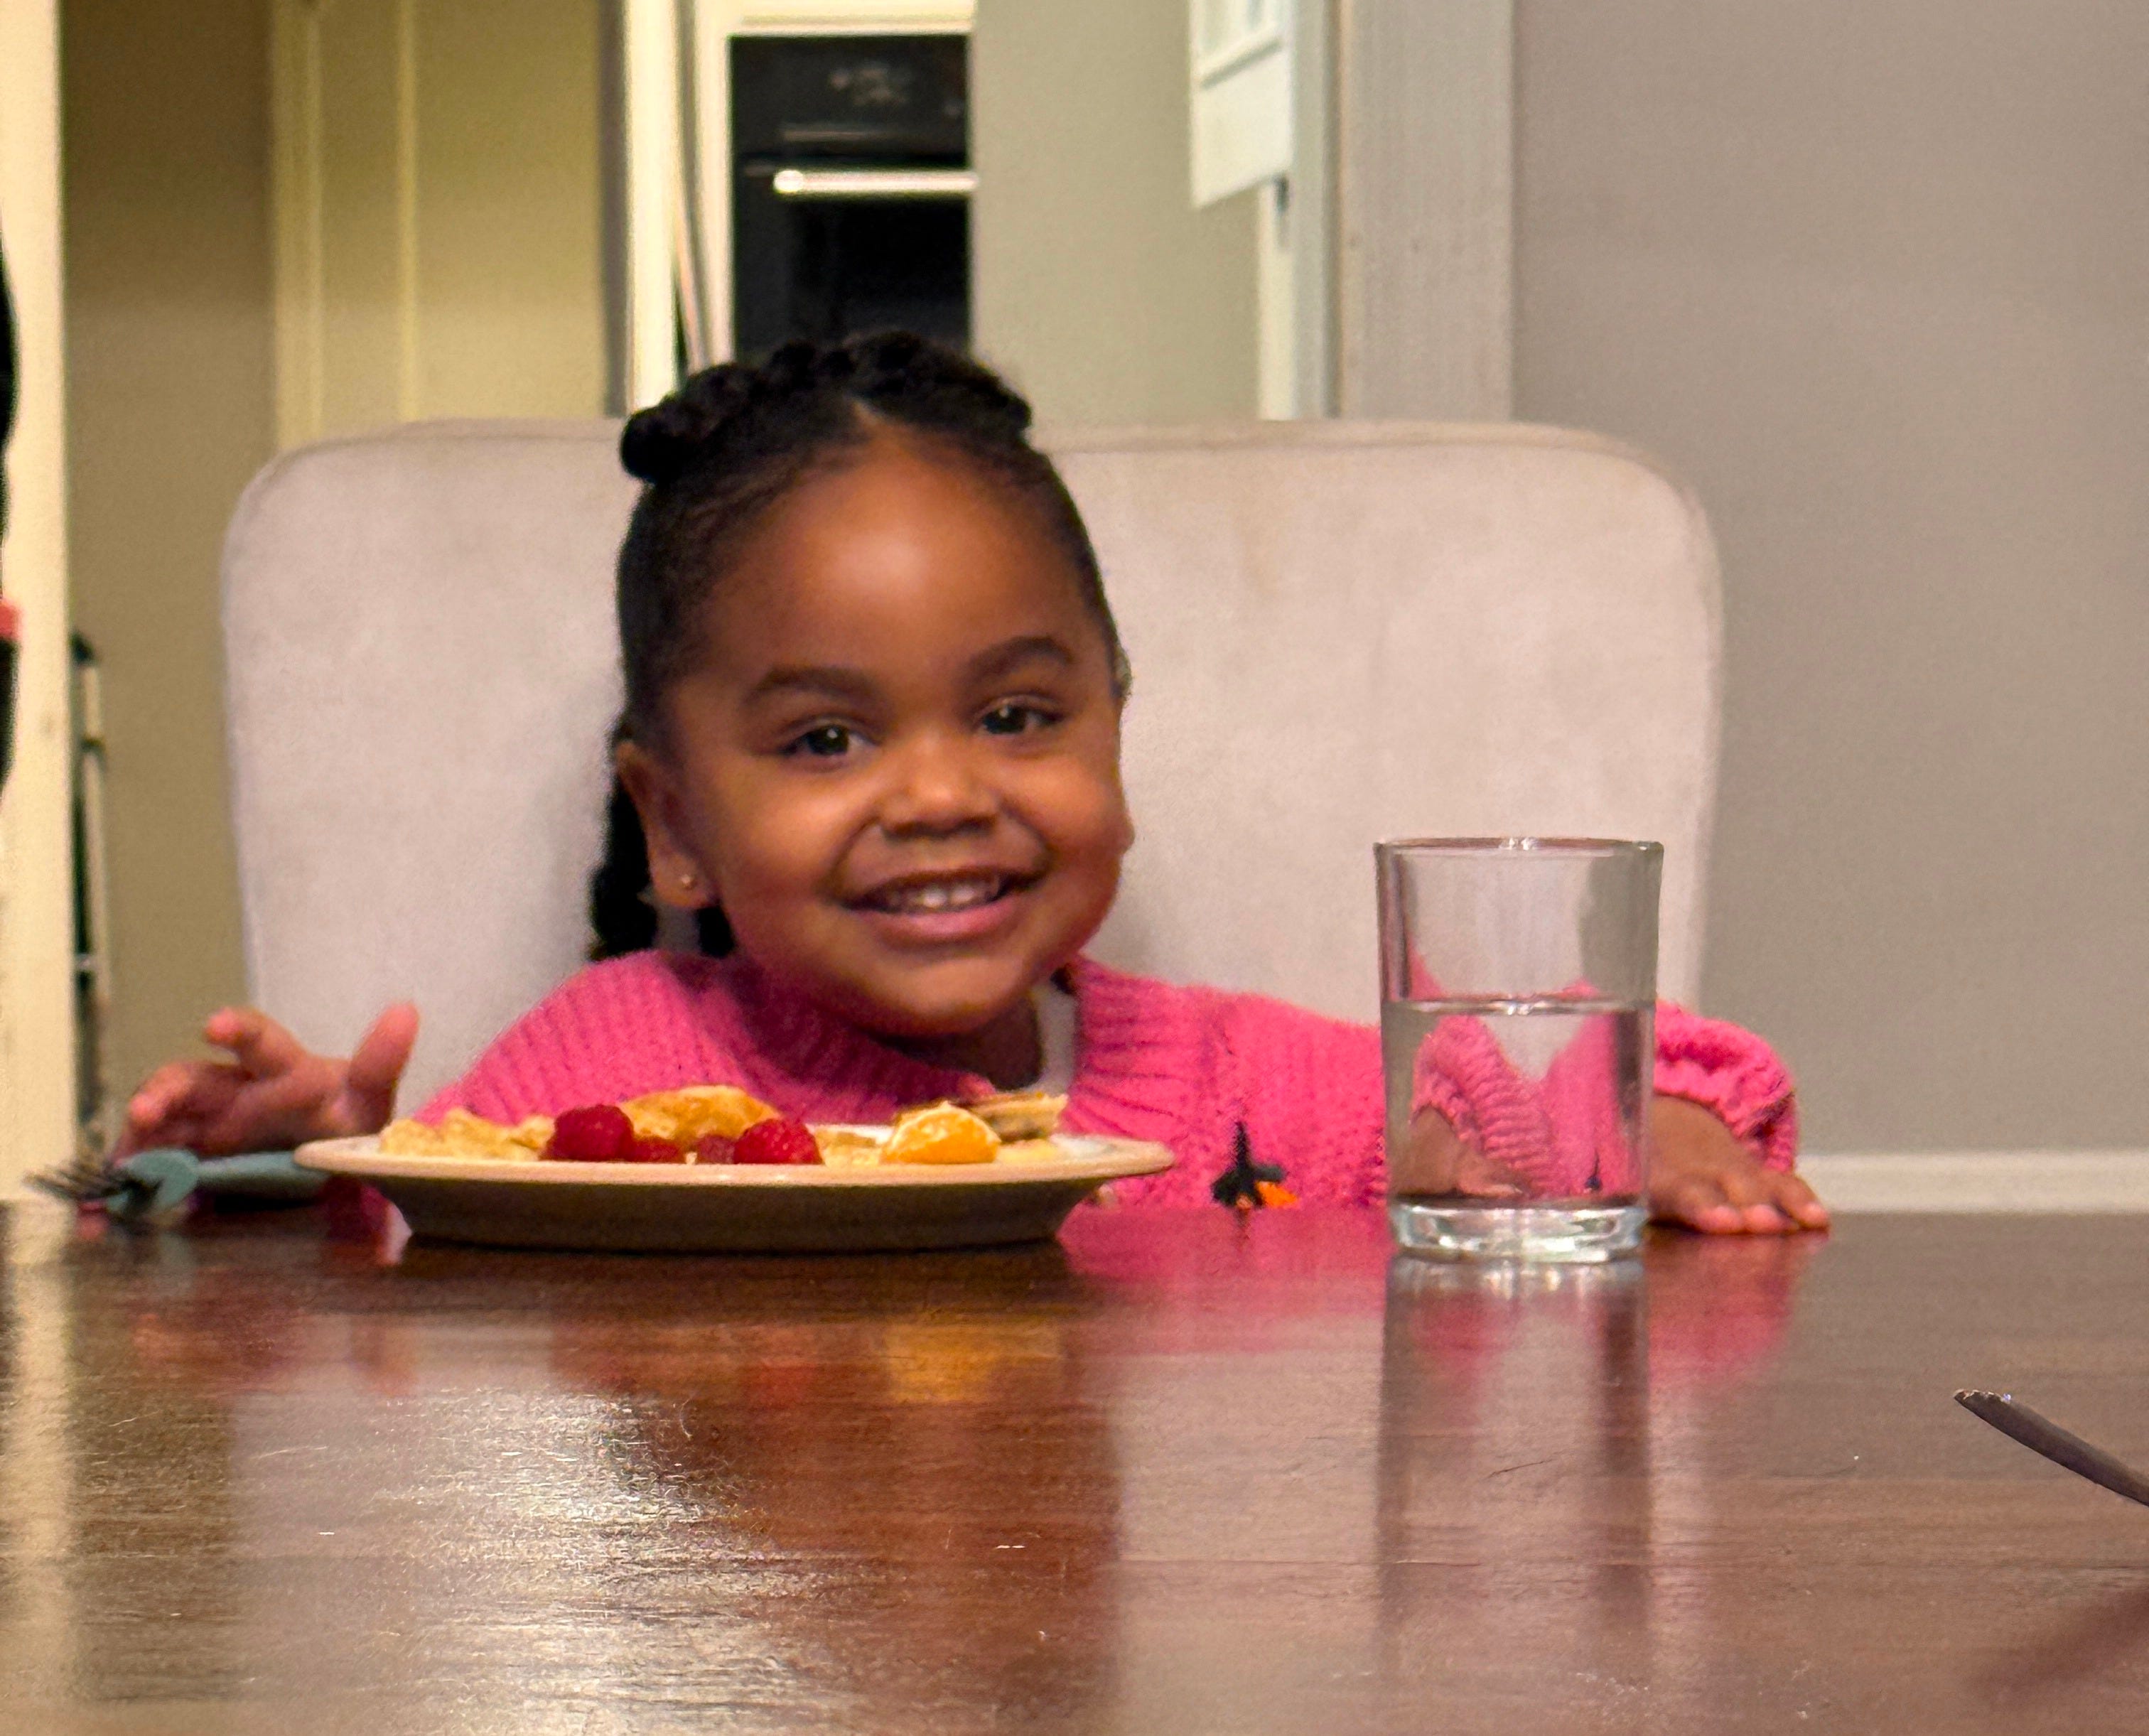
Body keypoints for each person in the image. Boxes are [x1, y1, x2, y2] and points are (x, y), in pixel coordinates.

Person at [117, 333, 1826, 1234]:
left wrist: (1622, 1138)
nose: (939, 793)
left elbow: (1554, 1100)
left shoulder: (1250, 1094)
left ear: (1115, 733)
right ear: (675, 823)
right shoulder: (614, 1068)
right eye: (826, 739)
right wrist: (309, 1176)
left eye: (1015, 715)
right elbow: (432, 1273)